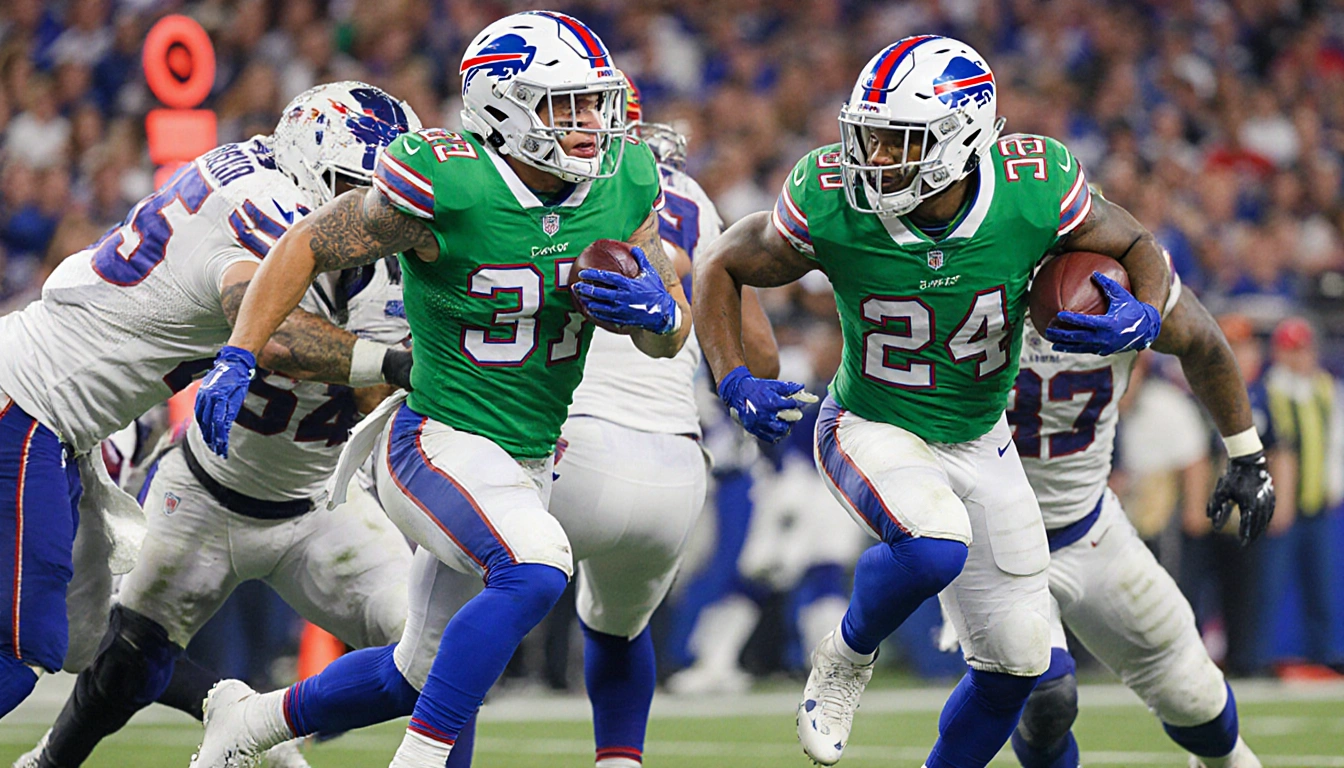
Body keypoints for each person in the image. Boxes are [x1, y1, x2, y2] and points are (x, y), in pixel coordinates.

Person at [187, 12, 689, 768]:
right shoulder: (447, 179)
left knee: (414, 671)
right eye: (565, 106)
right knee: (537, 565)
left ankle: (249, 723)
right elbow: (305, 245)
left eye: (594, 103)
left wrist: (657, 311)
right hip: (434, 436)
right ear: (502, 106)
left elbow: (668, 336)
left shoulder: (624, 181)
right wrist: (238, 352)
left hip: (526, 456)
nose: (590, 125)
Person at [695, 35, 1199, 768]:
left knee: (1019, 664)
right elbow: (723, 261)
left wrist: (1146, 313)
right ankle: (844, 656)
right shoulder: (831, 195)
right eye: (867, 135)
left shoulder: (1032, 187)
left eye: (896, 142)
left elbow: (1140, 246)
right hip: (872, 421)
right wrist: (732, 375)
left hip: (980, 435)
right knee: (934, 544)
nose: (872, 157)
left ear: (960, 138)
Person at [0, 81, 416, 719]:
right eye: (357, 191)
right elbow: (269, 330)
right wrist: (394, 363)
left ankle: (221, 708)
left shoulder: (248, 165)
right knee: (22, 645)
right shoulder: (269, 208)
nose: (371, 217)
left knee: (80, 637)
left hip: (51, 415)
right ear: (312, 164)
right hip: (29, 406)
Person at [15, 253, 419, 768]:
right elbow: (282, 342)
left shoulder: (413, 281)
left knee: (437, 653)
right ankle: (50, 760)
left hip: (321, 503)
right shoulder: (258, 258)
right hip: (206, 493)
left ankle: (266, 723)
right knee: (127, 661)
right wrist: (383, 356)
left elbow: (379, 395)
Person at [538, 78, 778, 768]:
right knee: (621, 624)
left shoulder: (539, 188)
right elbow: (759, 353)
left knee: (442, 624)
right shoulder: (694, 203)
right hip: (674, 457)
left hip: (558, 436)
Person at [1003, 258, 1271, 768]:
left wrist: (1246, 454)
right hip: (992, 538)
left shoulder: (1121, 276)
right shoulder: (977, 268)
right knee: (1046, 698)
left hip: (1088, 523)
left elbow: (1203, 341)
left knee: (1195, 696)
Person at [1260, 317, 1343, 675]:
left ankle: (1326, 655)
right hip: (1280, 507)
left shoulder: (1326, 388)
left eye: (1304, 349)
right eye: (1292, 350)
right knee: (1270, 586)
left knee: (1323, 585)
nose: (1299, 358)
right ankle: (1261, 657)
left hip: (1317, 504)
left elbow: (1336, 442)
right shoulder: (1269, 389)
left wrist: (1333, 487)